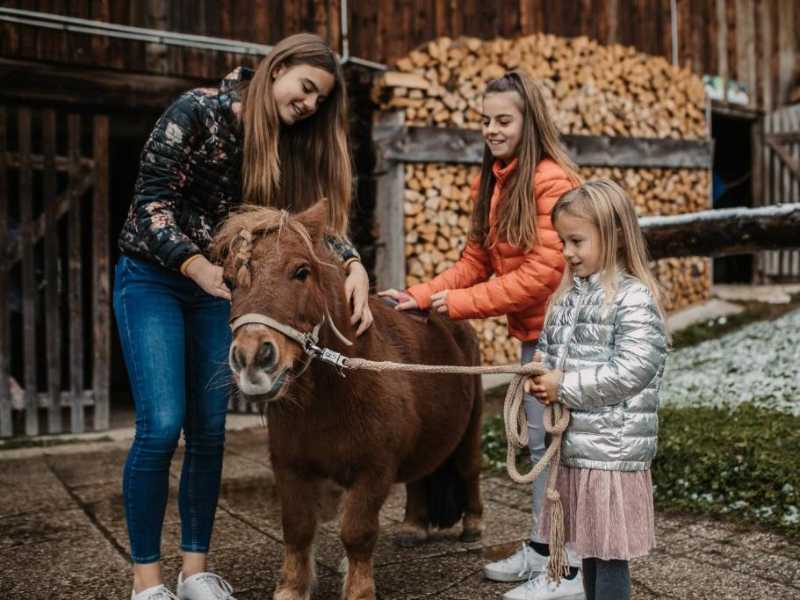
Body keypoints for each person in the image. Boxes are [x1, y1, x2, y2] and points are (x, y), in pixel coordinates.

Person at [113, 34, 372, 600]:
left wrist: (352, 263)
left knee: (208, 432)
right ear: (276, 68)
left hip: (225, 290)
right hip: (156, 277)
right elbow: (150, 201)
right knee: (160, 427)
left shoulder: (290, 145)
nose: (308, 105)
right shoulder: (196, 112)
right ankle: (147, 582)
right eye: (305, 88)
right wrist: (194, 263)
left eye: (318, 101)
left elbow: (314, 222)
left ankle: (195, 572)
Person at [379, 70, 583, 596]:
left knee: (562, 448)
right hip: (537, 334)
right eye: (485, 120)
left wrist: (460, 304)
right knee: (540, 443)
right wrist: (420, 296)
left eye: (503, 120)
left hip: (566, 334)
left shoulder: (550, 180)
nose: (491, 129)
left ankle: (565, 567)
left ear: (528, 120)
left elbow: (544, 272)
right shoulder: (493, 180)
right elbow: (475, 261)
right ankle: (542, 549)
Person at [523, 179, 669, 600]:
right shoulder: (568, 297)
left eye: (576, 241)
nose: (567, 252)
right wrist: (540, 373)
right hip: (579, 447)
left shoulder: (633, 298)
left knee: (608, 554)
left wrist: (563, 385)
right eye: (563, 241)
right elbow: (550, 349)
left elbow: (633, 369)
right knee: (588, 547)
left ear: (615, 235)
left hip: (611, 452)